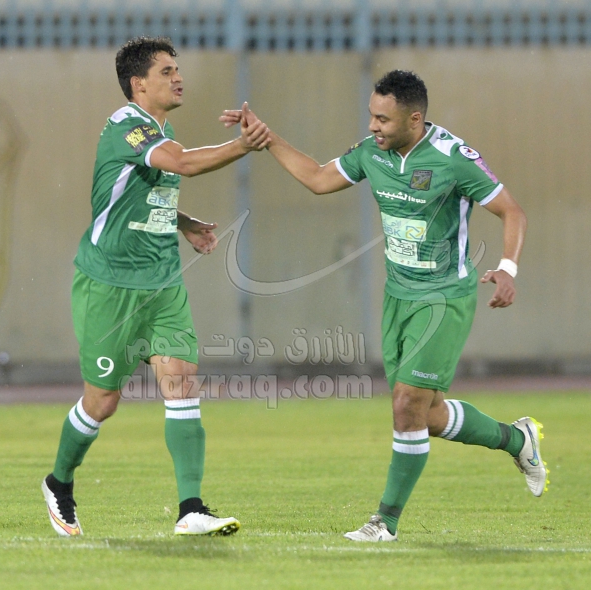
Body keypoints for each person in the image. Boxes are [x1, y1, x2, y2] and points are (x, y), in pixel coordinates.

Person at [220, 70, 548, 542]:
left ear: (414, 119)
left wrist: (508, 269)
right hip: (398, 298)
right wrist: (267, 139)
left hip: (443, 298)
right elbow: (318, 178)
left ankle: (384, 523)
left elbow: (512, 211)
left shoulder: (454, 159)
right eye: (371, 116)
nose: (373, 126)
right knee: (425, 415)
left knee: (406, 404)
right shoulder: (372, 153)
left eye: (382, 119)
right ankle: (517, 439)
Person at [42, 36, 270, 537]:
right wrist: (243, 145)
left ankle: (191, 507)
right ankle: (59, 482)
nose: (178, 77)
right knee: (102, 402)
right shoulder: (128, 126)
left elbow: (145, 191)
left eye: (176, 69)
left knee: (181, 379)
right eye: (166, 71)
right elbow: (182, 163)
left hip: (162, 282)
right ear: (138, 83)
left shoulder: (161, 132)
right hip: (110, 285)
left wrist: (183, 223)